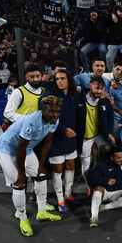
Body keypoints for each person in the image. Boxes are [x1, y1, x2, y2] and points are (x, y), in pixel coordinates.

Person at [0, 96, 62, 237]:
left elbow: (48, 142)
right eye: (51, 111)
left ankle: (42, 212)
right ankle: (23, 219)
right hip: (6, 149)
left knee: (41, 174)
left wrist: (41, 165)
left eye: (57, 111)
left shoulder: (54, 120)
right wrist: (21, 173)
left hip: (27, 149)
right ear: (43, 109)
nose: (55, 114)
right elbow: (20, 149)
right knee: (19, 183)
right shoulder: (32, 121)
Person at [40, 70, 77, 213]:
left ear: (69, 80)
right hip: (55, 139)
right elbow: (46, 118)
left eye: (62, 78)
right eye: (56, 79)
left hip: (71, 138)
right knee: (58, 169)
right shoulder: (49, 97)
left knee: (71, 165)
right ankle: (60, 200)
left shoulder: (74, 95)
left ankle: (68, 195)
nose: (59, 81)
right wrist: (62, 130)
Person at [76, 76, 115, 195]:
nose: (99, 91)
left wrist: (108, 132)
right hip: (84, 137)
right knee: (86, 165)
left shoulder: (104, 100)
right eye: (97, 88)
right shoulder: (79, 97)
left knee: (110, 153)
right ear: (90, 85)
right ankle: (90, 188)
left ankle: (106, 183)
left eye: (101, 89)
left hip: (99, 134)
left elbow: (110, 116)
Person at [87, 146, 122, 227]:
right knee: (98, 187)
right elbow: (91, 179)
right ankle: (94, 217)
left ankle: (104, 207)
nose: (121, 159)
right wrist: (106, 181)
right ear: (112, 158)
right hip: (104, 191)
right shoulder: (102, 165)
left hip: (116, 191)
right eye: (118, 158)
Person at [68, 7, 113, 73]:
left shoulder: (102, 19)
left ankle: (102, 69)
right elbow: (80, 33)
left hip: (101, 42)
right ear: (90, 14)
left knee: (103, 50)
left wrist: (114, 15)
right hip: (92, 43)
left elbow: (109, 15)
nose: (94, 13)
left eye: (95, 12)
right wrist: (72, 41)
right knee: (83, 52)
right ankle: (87, 71)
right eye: (92, 12)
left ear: (97, 13)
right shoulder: (86, 23)